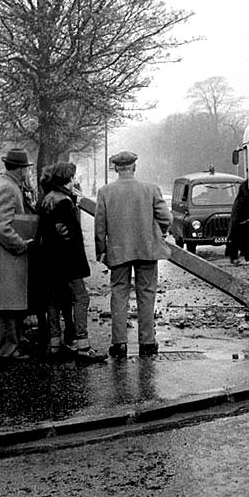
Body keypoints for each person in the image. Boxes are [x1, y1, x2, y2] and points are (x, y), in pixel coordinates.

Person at [94, 151, 172, 358]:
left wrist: (102, 251)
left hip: (119, 251)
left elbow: (99, 227)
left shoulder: (105, 192)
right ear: (134, 167)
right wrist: (161, 231)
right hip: (147, 249)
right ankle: (147, 342)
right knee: (147, 294)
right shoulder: (151, 189)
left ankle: (119, 344)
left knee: (119, 294)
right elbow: (166, 217)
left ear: (116, 169)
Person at [38, 162, 107, 363]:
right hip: (67, 261)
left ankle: (55, 344)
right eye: (72, 178)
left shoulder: (47, 199)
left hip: (49, 260)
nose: (74, 181)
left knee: (54, 301)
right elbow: (71, 236)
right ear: (66, 181)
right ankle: (83, 346)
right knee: (81, 298)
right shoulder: (64, 203)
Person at [0, 148, 37, 361]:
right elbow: (1, 225)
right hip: (5, 255)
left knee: (6, 303)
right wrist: (21, 244)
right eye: (26, 169)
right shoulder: (8, 188)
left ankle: (10, 346)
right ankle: (8, 350)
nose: (27, 173)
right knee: (7, 304)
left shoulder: (0, 184)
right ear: (21, 169)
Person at [225, 179, 249, 264]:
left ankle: (246, 256)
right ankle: (234, 257)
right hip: (240, 216)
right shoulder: (245, 185)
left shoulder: (245, 184)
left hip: (245, 215)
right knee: (235, 238)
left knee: (244, 237)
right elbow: (247, 195)